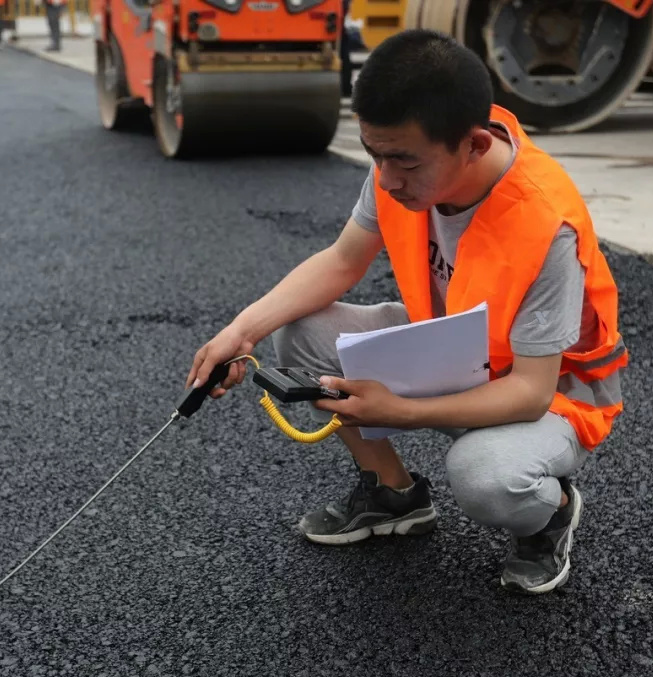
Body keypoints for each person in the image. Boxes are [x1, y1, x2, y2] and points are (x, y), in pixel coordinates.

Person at [184, 30, 628, 596]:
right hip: (455, 352)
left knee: (484, 475)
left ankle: (550, 513)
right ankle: (392, 495)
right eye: (375, 155)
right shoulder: (402, 155)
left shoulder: (546, 226)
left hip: (552, 395)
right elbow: (343, 260)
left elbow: (532, 391)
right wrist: (239, 332)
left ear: (473, 144)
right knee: (302, 331)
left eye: (404, 162)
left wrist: (399, 411)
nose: (387, 179)